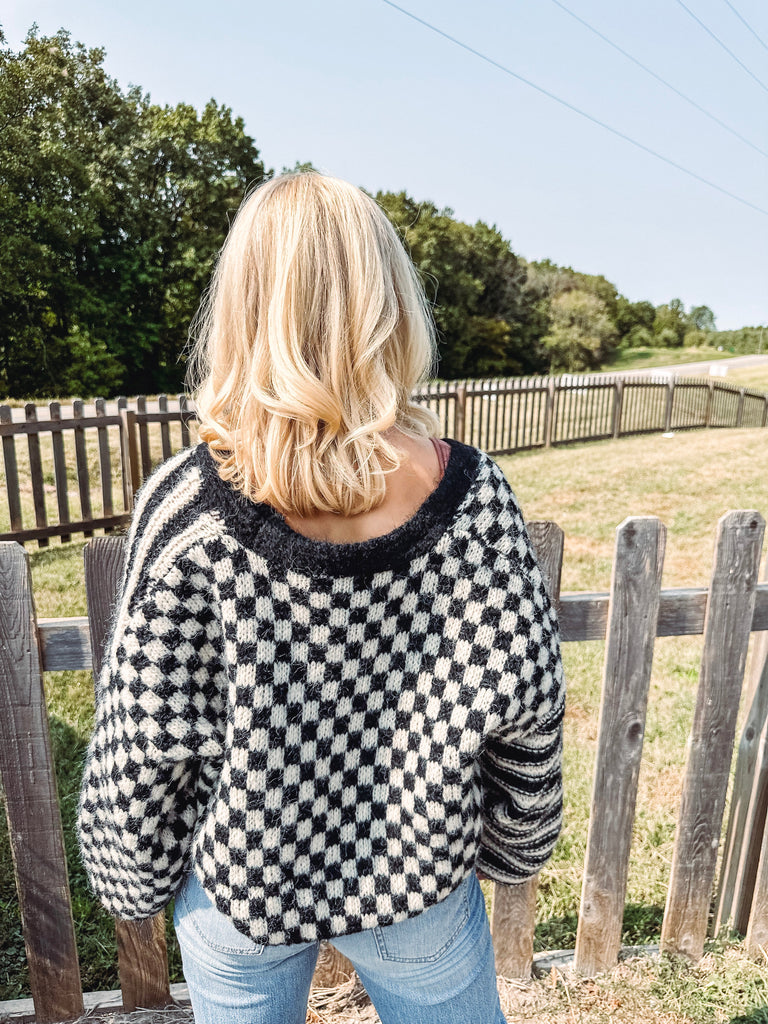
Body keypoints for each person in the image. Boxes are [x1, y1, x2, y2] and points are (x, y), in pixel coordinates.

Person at [77, 172, 565, 1024]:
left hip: (243, 888)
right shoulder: (473, 498)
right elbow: (526, 712)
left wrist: (134, 878)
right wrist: (514, 850)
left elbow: (142, 742)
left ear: (242, 308)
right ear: (389, 304)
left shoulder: (185, 509)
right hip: (419, 880)